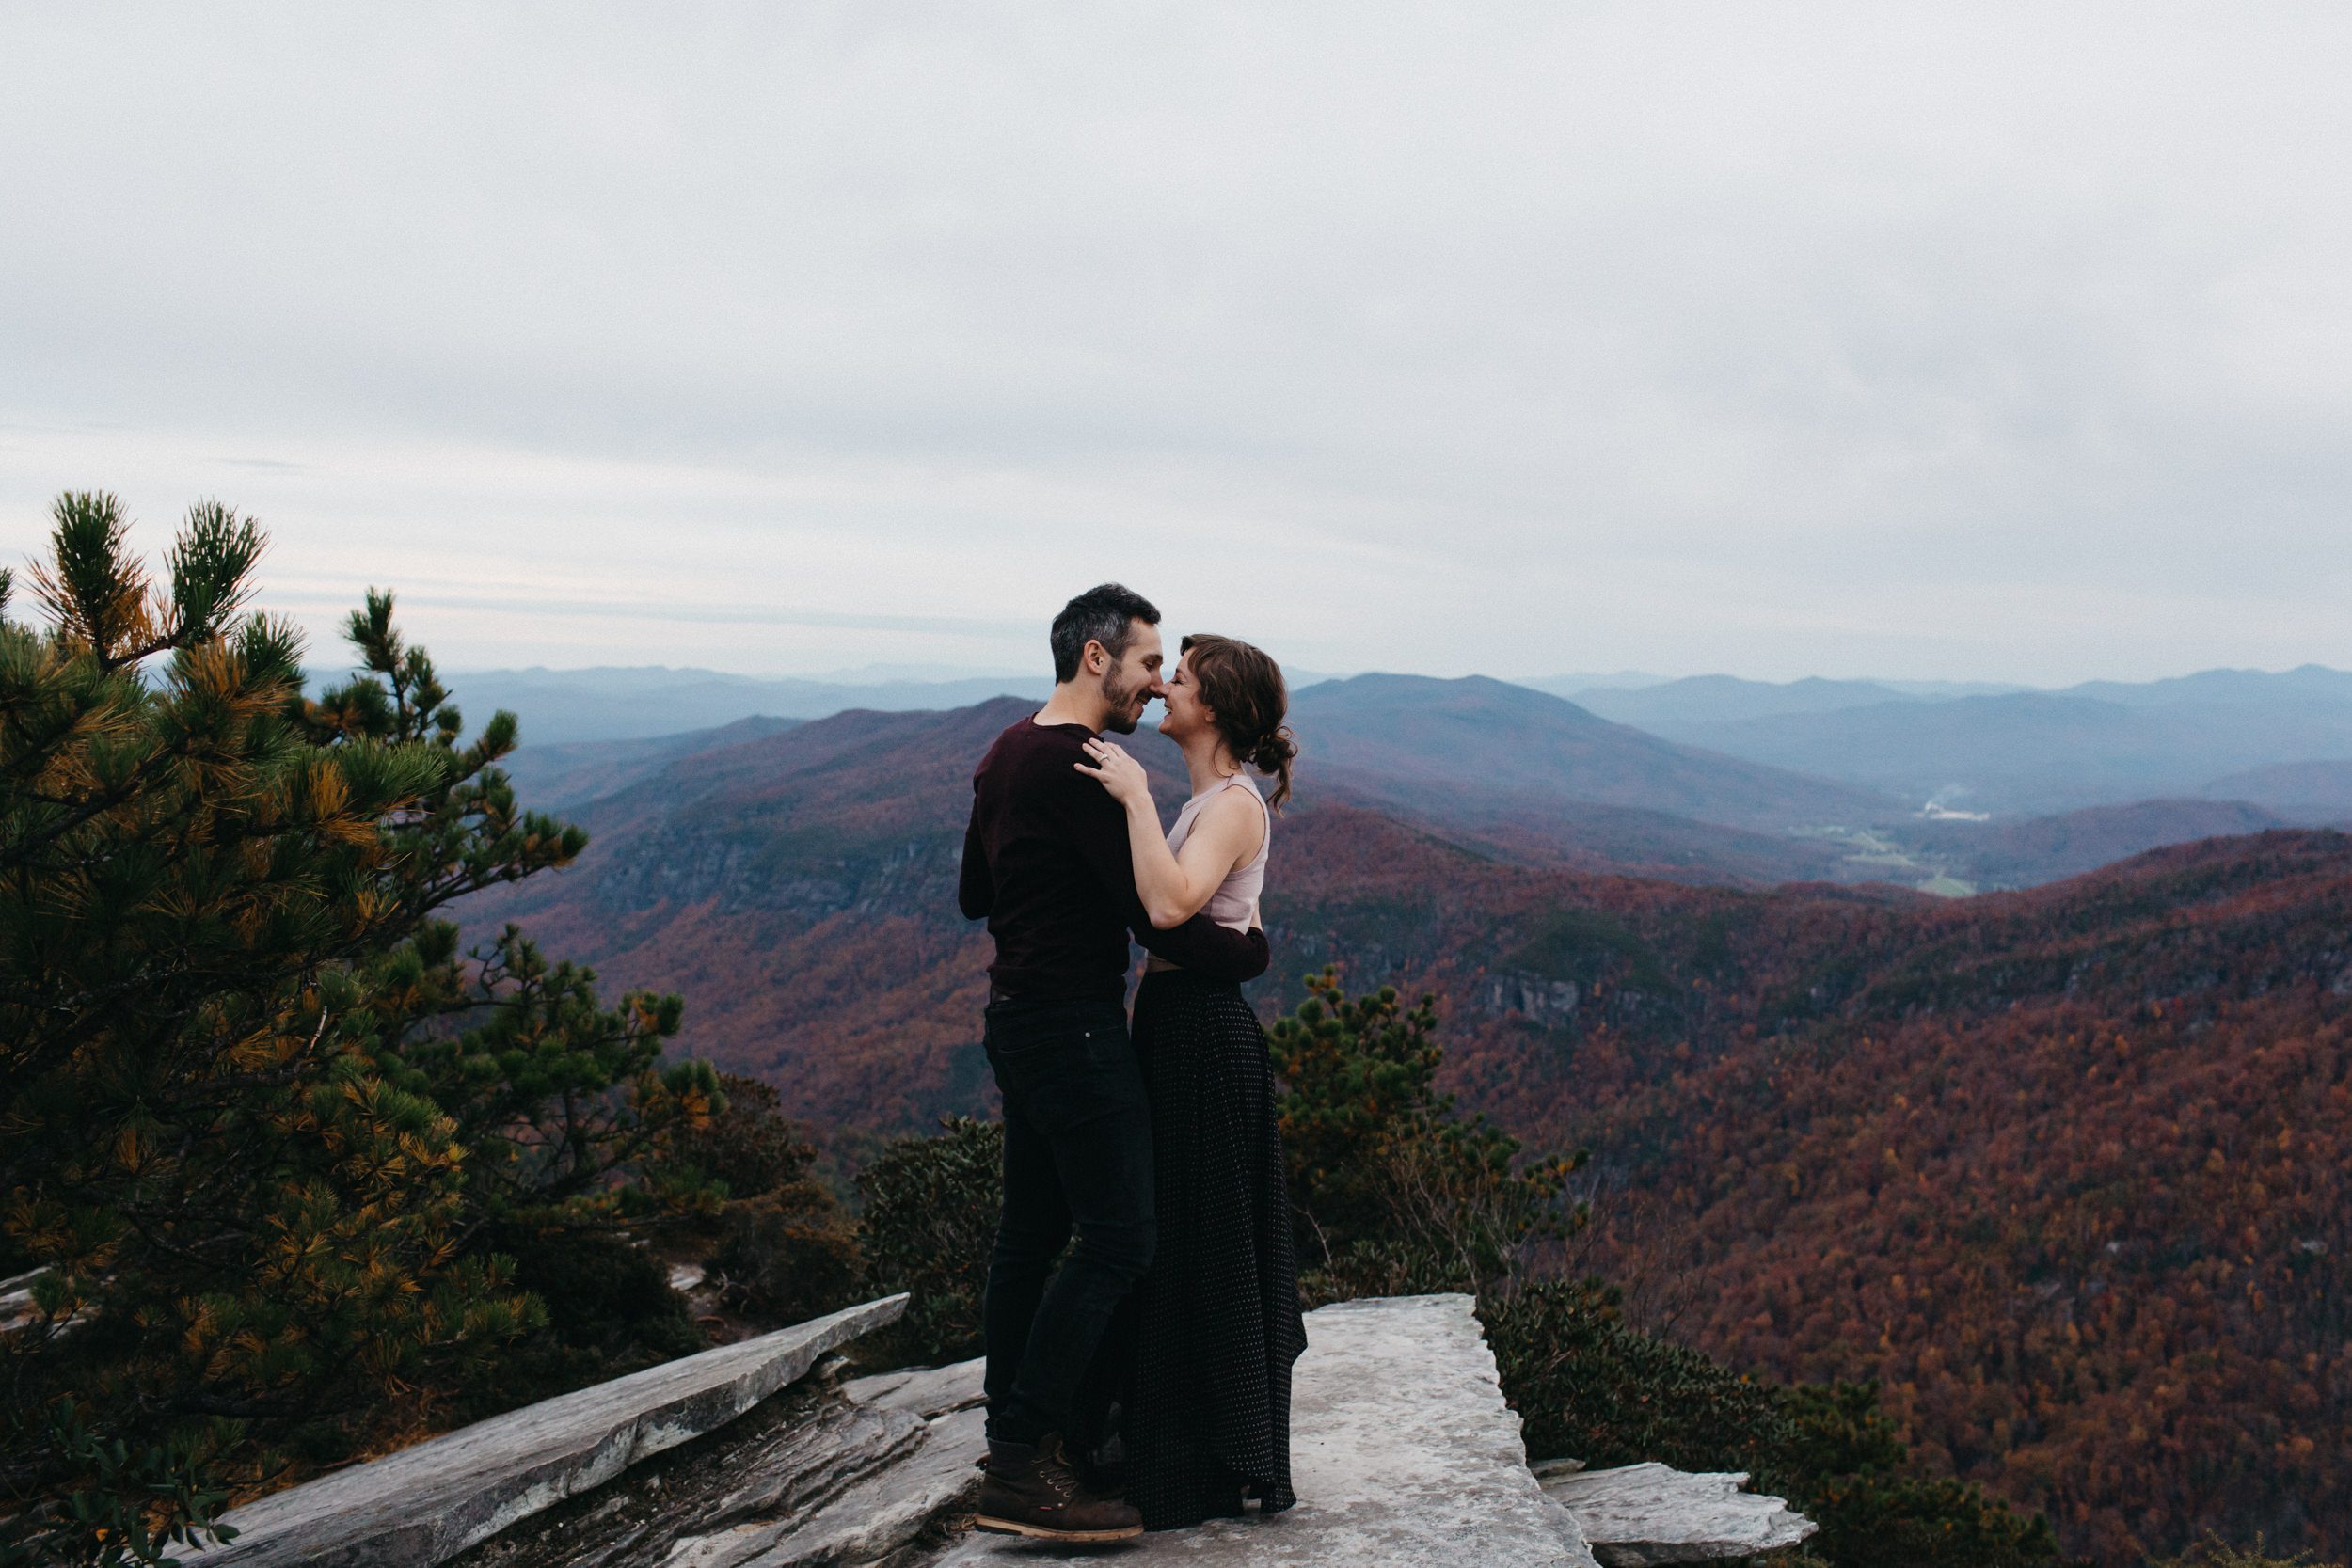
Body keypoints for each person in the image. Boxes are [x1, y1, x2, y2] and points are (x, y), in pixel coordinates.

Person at [958, 585, 1273, 1543]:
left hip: (1013, 1016)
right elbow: (1157, 914)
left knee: (1030, 1229)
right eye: (1145, 662)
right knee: (1119, 1237)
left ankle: (1009, 1431)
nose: (1151, 682)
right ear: (1097, 660)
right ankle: (1024, 1459)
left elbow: (976, 892)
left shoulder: (1007, 751)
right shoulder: (1084, 768)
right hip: (1075, 1027)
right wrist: (1251, 954)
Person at [1073, 632, 1307, 1530]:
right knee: (1179, 1234)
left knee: (1201, 1240)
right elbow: (1218, 922)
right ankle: (1179, 1441)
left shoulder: (1234, 807)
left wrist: (1132, 796)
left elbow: (1170, 906)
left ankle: (1202, 1455)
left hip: (1203, 1040)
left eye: (1185, 678)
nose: (1167, 687)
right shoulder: (1215, 801)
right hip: (1180, 1029)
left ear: (1218, 708)